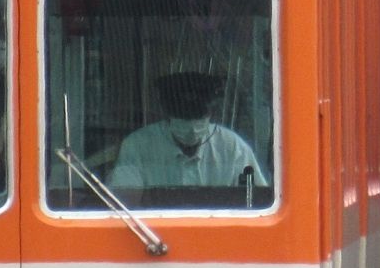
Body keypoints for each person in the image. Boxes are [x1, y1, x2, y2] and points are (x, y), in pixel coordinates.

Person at [110, 70, 268, 193]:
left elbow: (256, 202)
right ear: (167, 114)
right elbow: (124, 202)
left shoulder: (233, 147)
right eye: (183, 117)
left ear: (211, 114)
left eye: (197, 117)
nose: (191, 128)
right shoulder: (137, 146)